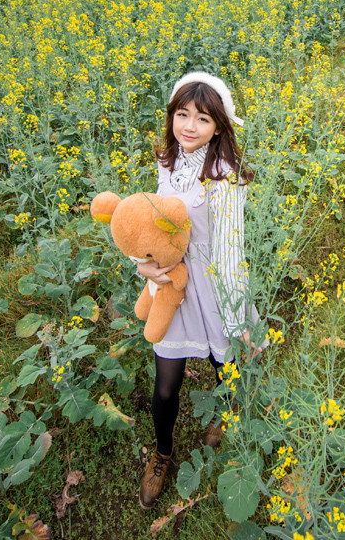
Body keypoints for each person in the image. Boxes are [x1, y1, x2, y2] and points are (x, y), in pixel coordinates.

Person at [137, 72, 257, 509]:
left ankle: (225, 417)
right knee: (166, 384)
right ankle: (163, 454)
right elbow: (150, 223)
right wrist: (145, 267)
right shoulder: (166, 161)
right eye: (182, 114)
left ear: (220, 125)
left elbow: (229, 250)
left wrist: (236, 316)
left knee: (225, 364)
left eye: (202, 119)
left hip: (214, 286)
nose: (189, 126)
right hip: (172, 283)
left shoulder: (226, 177)